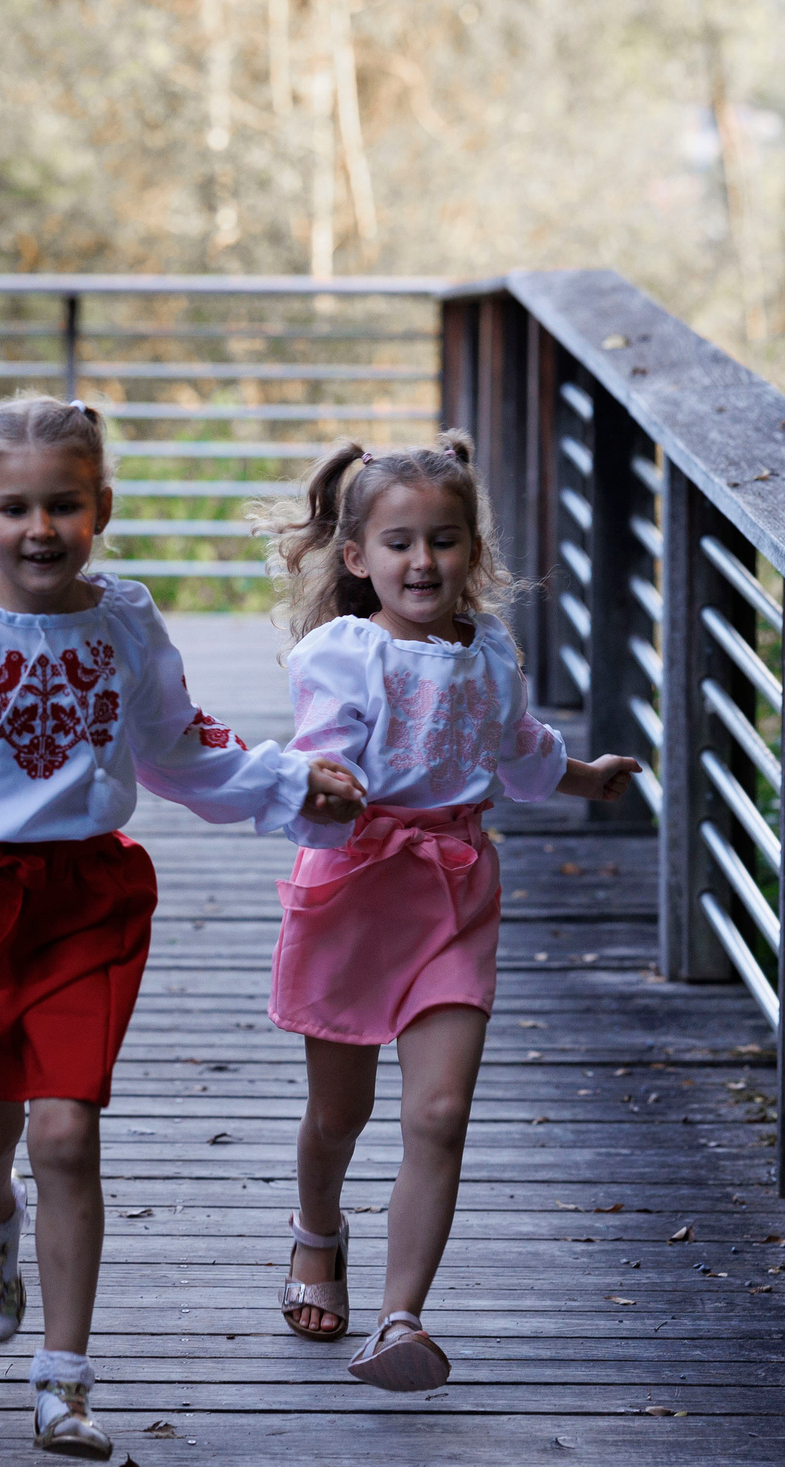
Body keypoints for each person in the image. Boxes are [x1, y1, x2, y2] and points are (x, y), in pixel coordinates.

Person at [0, 395, 365, 1458]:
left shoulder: (122, 619)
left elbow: (178, 742)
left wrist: (283, 780)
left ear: (100, 508)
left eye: (64, 506)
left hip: (87, 901)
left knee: (66, 1131)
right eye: (15, 508)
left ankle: (64, 1381)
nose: (40, 528)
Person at [256, 433, 642, 1391]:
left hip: (454, 887)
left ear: (475, 551)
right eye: (398, 543)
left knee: (440, 1108)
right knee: (338, 1112)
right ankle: (317, 1231)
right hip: (355, 886)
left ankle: (399, 1317)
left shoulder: (491, 652)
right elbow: (322, 751)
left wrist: (585, 778)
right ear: (357, 558)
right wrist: (320, 786)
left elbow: (516, 747)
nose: (421, 560)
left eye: (444, 539)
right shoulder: (343, 653)